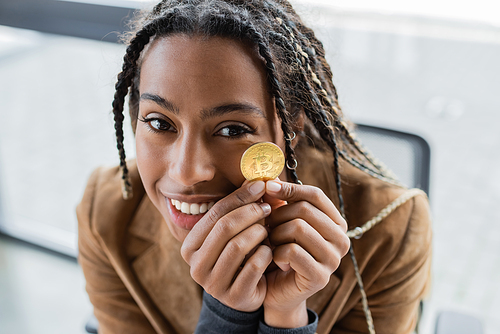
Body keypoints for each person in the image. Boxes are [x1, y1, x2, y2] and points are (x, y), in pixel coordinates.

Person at [77, 1, 432, 333]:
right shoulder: (105, 213)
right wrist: (226, 315)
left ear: (289, 129)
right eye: (159, 123)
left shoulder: (391, 229)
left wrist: (287, 316)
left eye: (232, 130)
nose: (186, 172)